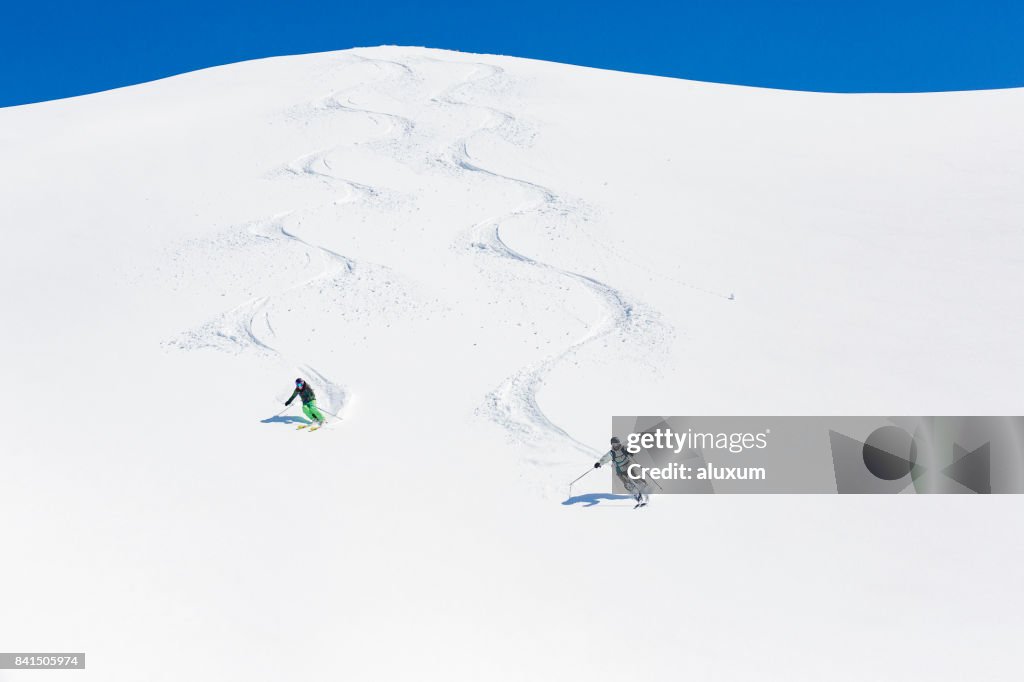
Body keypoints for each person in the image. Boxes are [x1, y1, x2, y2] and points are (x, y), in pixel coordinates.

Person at [594, 436, 650, 507]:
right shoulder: (611, 453)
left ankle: (644, 487)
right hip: (619, 470)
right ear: (612, 445)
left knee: (635, 478)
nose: (616, 446)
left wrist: (631, 452)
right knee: (627, 483)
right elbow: (605, 458)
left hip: (628, 466)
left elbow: (633, 450)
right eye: (614, 444)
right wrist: (599, 463)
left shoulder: (624, 448)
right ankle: (637, 495)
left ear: (619, 443)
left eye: (617, 444)